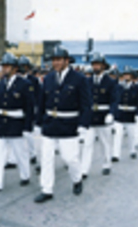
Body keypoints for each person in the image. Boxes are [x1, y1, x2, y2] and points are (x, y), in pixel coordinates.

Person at [34, 46, 91, 203]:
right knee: (46, 158)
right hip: (50, 124)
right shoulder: (48, 78)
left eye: (59, 60)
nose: (56, 63)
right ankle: (47, 189)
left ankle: (77, 179)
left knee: (70, 159)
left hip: (69, 125)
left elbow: (86, 105)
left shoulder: (79, 79)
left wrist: (83, 125)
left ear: (67, 61)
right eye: (54, 60)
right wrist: (38, 122)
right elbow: (42, 102)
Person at [0, 52, 34, 194]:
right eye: (3, 66)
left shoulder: (25, 84)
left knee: (20, 153)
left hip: (16, 123)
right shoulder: (0, 84)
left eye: (7, 66)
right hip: (0, 123)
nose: (4, 69)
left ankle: (25, 175)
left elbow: (29, 107)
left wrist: (27, 126)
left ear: (14, 68)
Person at [81, 53, 118, 178]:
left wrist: (111, 114)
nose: (95, 67)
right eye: (94, 64)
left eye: (97, 64)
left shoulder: (110, 82)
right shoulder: (87, 81)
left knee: (105, 143)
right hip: (91, 117)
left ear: (103, 66)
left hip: (104, 116)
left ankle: (107, 164)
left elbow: (114, 100)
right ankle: (84, 169)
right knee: (87, 143)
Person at [112, 69, 138, 161]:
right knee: (118, 135)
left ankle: (132, 150)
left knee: (131, 134)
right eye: (125, 74)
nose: (126, 76)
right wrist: (113, 113)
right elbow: (115, 100)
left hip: (131, 113)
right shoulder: (119, 87)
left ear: (132, 76)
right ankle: (115, 154)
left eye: (128, 75)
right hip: (120, 113)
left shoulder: (136, 88)